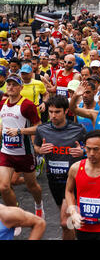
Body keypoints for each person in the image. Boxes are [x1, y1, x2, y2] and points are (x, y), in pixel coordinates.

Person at [33, 95, 87, 240]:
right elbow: (36, 146)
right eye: (50, 112)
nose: (53, 115)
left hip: (73, 180)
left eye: (57, 112)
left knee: (65, 222)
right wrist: (40, 150)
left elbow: (92, 147)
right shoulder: (42, 129)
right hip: (53, 179)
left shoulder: (78, 129)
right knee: (69, 220)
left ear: (66, 111)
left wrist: (83, 152)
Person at [0, 74, 43, 217]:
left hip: (25, 153)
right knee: (4, 187)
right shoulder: (2, 104)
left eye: (14, 84)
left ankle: (38, 206)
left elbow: (39, 127)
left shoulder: (27, 105)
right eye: (9, 84)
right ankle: (15, 214)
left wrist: (19, 131)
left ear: (21, 87)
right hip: (6, 152)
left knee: (32, 186)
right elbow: (3, 125)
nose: (11, 87)